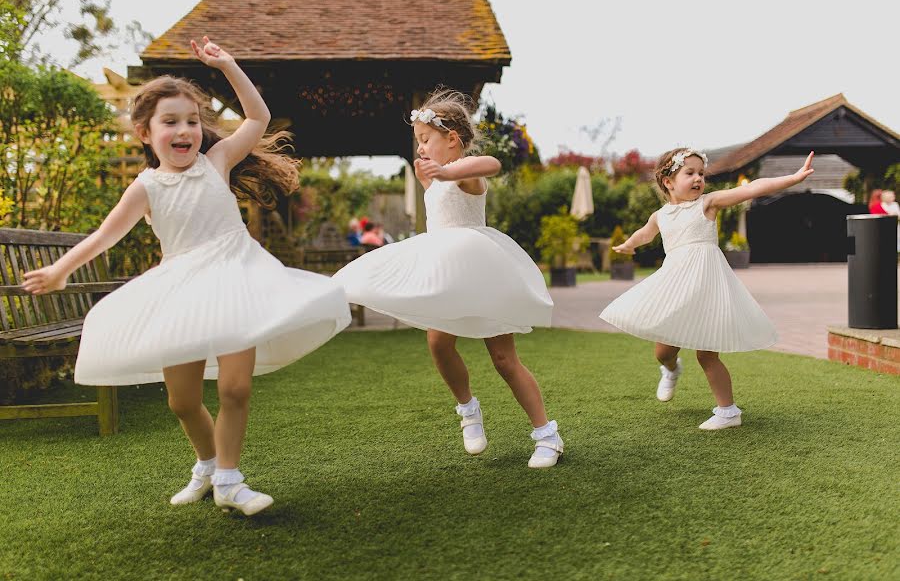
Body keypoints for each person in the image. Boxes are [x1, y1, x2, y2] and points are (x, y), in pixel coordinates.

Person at [23, 37, 351, 515]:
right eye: (171, 122)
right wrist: (59, 270)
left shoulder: (216, 162)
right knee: (182, 402)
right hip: (182, 288)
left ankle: (230, 482)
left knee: (236, 388)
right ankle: (206, 465)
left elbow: (257, 120)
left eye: (193, 122)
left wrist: (230, 65)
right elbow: (103, 237)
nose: (185, 131)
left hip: (239, 277)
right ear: (144, 132)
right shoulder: (147, 186)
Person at [333, 89, 562, 467]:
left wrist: (447, 170)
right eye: (418, 142)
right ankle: (468, 409)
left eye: (426, 140)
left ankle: (547, 435)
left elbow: (490, 165)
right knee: (439, 345)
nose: (420, 149)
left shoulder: (466, 174)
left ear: (451, 139)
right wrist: (433, 177)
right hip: (446, 272)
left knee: (504, 359)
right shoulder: (435, 178)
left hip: (480, 273)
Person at [600, 148, 814, 430]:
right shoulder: (661, 216)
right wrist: (629, 244)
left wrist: (793, 178)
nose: (699, 179)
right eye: (690, 173)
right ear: (668, 182)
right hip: (675, 287)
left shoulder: (708, 204)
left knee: (707, 354)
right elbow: (645, 233)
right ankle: (672, 369)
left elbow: (752, 190)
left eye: (701, 173)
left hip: (706, 288)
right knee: (663, 351)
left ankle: (728, 412)